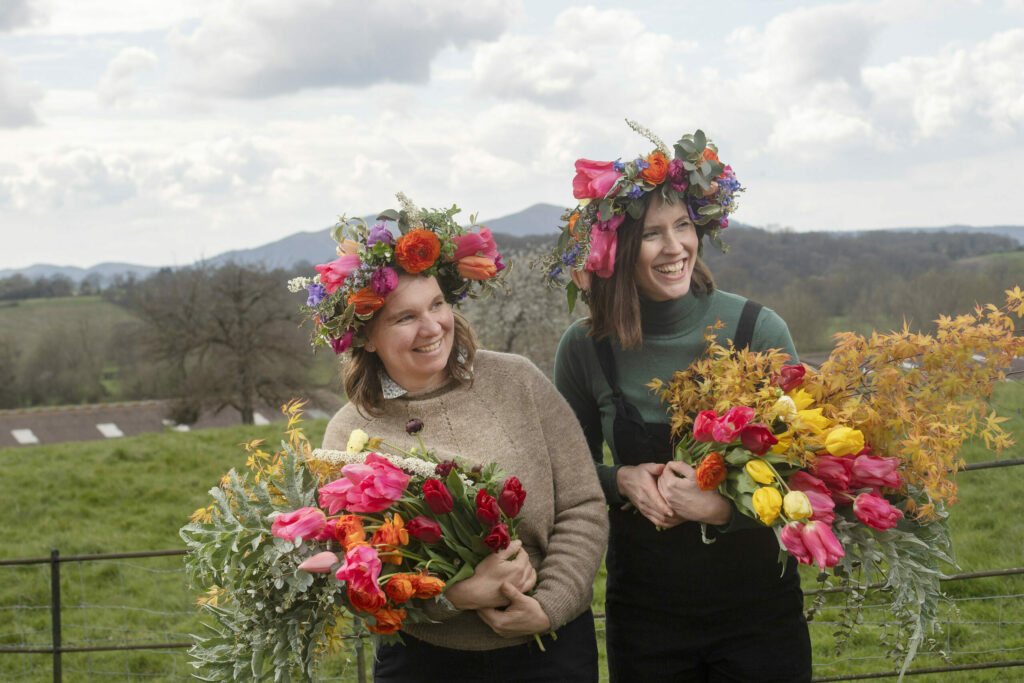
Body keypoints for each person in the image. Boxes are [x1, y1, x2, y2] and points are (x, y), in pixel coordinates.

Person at [544, 124, 812, 682]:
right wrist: (620, 480)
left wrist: (724, 509)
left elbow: (809, 475)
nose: (675, 248)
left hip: (759, 616)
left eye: (684, 226)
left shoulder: (756, 329)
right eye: (652, 235)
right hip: (646, 620)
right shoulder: (587, 348)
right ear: (616, 251)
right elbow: (563, 475)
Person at [309, 197, 608, 682]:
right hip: (424, 659)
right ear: (366, 337)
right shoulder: (349, 434)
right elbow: (355, 572)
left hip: (547, 651)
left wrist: (550, 605)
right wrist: (452, 596)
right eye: (404, 318)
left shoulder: (518, 382)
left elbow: (582, 505)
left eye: (437, 304)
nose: (431, 328)